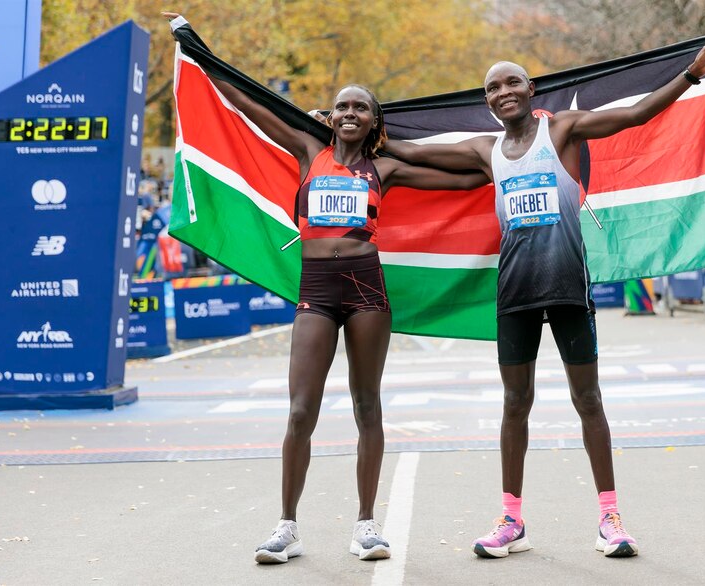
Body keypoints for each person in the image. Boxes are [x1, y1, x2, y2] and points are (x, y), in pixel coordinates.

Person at [384, 35, 705, 559]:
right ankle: (511, 520)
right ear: (487, 103)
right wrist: (353, 130)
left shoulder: (562, 129)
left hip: (569, 288)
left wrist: (692, 74)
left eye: (512, 82)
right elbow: (409, 151)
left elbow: (635, 115)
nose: (504, 92)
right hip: (515, 294)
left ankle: (610, 518)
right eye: (493, 87)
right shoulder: (485, 151)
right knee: (514, 404)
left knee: (587, 400)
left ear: (530, 89)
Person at [163, 13, 488, 565]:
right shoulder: (305, 149)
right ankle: (286, 526)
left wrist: (436, 154)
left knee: (367, 406)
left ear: (373, 120)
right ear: (331, 117)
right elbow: (247, 103)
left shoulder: (384, 170)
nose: (350, 113)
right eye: (343, 106)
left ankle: (367, 526)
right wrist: (198, 51)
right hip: (315, 288)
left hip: (366, 288)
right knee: (299, 412)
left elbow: (468, 178)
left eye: (361, 107)